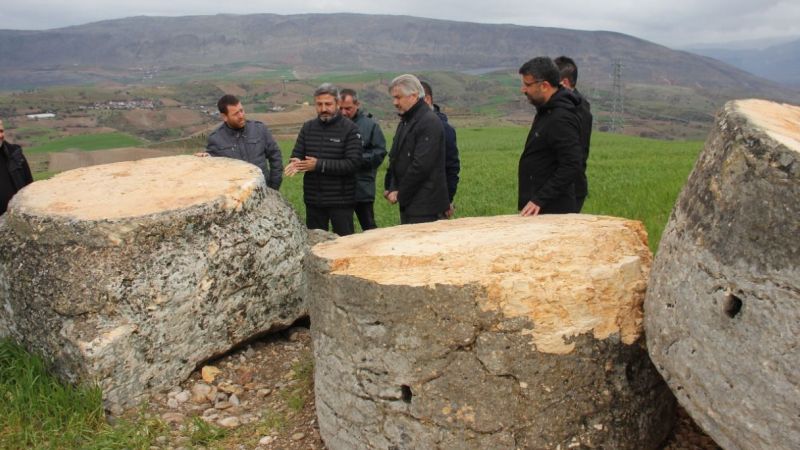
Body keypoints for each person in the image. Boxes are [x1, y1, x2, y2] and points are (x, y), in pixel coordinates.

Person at [285, 83, 362, 236]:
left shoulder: (350, 129)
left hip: (341, 201)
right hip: (314, 200)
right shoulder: (308, 128)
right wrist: (295, 163)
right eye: (319, 104)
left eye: (328, 104)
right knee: (316, 242)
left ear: (337, 104)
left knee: (344, 242)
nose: (323, 108)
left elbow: (353, 163)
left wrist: (319, 165)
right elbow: (297, 154)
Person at [517, 57, 583, 216]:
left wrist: (540, 199)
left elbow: (572, 165)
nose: (523, 90)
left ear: (544, 86)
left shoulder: (561, 118)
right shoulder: (546, 110)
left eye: (528, 85)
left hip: (553, 211)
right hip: (539, 208)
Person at [383, 74, 449, 225]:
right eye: (393, 98)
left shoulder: (429, 122)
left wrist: (400, 193)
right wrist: (392, 187)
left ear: (413, 95)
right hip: (411, 204)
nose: (394, 102)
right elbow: (395, 158)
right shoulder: (406, 121)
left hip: (426, 207)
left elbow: (421, 166)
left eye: (398, 97)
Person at [201, 94, 283, 190]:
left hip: (264, 190)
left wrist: (274, 186)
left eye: (241, 110)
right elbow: (213, 168)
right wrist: (204, 159)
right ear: (224, 117)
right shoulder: (216, 139)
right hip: (236, 194)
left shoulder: (259, 129)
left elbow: (275, 155)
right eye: (235, 114)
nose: (241, 116)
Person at [339, 88, 387, 230]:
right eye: (340, 108)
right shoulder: (334, 125)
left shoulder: (371, 125)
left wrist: (355, 160)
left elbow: (379, 152)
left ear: (357, 105)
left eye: (348, 108)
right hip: (339, 190)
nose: (343, 112)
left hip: (362, 188)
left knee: (369, 227)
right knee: (344, 230)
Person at [554, 56, 593, 212]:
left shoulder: (576, 110)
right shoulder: (570, 105)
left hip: (568, 191)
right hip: (562, 188)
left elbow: (573, 158)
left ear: (564, 83)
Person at [421, 81, 460, 218]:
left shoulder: (443, 128)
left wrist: (447, 200)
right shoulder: (409, 126)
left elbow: (451, 167)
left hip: (435, 203)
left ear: (427, 99)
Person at [0, 119, 33, 215]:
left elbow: (30, 186)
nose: (0, 135)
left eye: (1, 131)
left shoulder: (15, 155)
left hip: (17, 218)